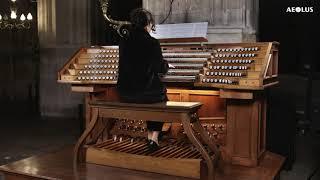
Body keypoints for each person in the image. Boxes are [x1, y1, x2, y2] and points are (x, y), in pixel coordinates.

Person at [117, 8, 171, 151]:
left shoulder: (124, 41)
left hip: (125, 92)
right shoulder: (152, 42)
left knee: (151, 95)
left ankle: (150, 136)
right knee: (161, 99)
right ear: (147, 24)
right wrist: (167, 65)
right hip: (143, 92)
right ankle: (153, 137)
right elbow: (159, 68)